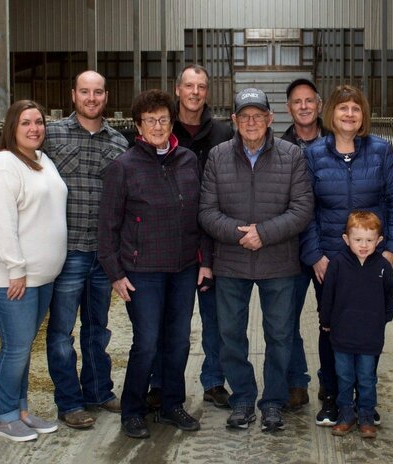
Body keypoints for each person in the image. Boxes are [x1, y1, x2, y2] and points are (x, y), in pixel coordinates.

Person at [199, 88, 313, 433]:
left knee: (279, 334)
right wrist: (239, 233)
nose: (251, 122)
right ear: (233, 121)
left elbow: (302, 208)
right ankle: (244, 398)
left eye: (258, 115)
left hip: (278, 261)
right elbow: (206, 211)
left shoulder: (292, 156)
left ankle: (274, 401)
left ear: (269, 119)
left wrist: (263, 232)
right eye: (244, 116)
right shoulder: (218, 156)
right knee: (231, 333)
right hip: (232, 261)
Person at [98, 89, 207, 439]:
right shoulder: (123, 167)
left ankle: (171, 404)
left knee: (178, 340)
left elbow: (200, 214)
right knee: (146, 341)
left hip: (184, 267)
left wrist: (205, 260)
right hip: (142, 270)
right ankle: (133, 409)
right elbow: (108, 227)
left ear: (171, 122)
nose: (158, 126)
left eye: (163, 119)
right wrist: (115, 273)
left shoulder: (188, 160)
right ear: (138, 126)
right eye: (150, 120)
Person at [301, 84, 393, 427]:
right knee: (330, 325)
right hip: (333, 262)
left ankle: (365, 401)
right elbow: (305, 208)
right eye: (343, 108)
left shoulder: (380, 152)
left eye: (356, 109)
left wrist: (391, 250)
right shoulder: (314, 154)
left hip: (371, 260)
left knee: (369, 326)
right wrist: (316, 254)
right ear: (331, 113)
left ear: (363, 115)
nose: (349, 114)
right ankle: (333, 397)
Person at [0, 100, 68, 442]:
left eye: (39, 122)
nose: (34, 128)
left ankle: (22, 411)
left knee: (23, 345)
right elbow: (0, 220)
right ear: (12, 127)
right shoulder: (3, 164)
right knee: (16, 345)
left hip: (41, 276)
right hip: (7, 275)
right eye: (25, 122)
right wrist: (15, 268)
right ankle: (6, 415)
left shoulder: (43, 161)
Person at [145, 64, 234, 412]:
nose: (195, 92)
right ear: (177, 89)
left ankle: (214, 381)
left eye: (201, 86)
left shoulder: (223, 133)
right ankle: (160, 383)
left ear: (207, 92)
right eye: (189, 86)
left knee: (216, 318)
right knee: (170, 320)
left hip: (214, 238)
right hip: (171, 241)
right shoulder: (163, 128)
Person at [44, 70, 128, 429]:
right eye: (84, 92)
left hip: (103, 253)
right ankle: (69, 401)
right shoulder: (51, 135)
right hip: (66, 252)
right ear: (73, 95)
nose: (91, 98)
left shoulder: (120, 142)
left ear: (106, 96)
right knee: (62, 331)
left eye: (97, 92)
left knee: (98, 328)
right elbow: (17, 162)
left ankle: (98, 390)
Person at [320, 211, 393, 440]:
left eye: (369, 240)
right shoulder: (337, 265)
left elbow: (391, 293)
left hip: (370, 337)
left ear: (379, 241)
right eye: (358, 239)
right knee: (344, 376)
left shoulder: (383, 267)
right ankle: (345, 415)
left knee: (366, 377)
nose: (363, 245)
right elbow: (328, 295)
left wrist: (385, 316)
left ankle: (365, 415)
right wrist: (326, 321)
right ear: (346, 239)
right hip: (342, 334)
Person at [281, 78, 330, 410]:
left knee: (332, 318)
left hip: (330, 244)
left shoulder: (339, 140)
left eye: (309, 101)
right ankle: (297, 381)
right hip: (292, 247)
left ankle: (331, 380)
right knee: (287, 317)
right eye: (297, 102)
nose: (303, 106)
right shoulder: (280, 147)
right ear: (289, 107)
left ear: (319, 104)